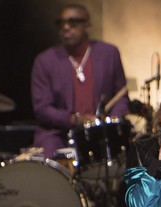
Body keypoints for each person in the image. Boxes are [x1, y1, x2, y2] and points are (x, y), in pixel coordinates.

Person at [30, 3, 130, 158]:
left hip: (100, 132)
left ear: (88, 26)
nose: (66, 27)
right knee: (50, 159)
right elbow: (42, 110)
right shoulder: (45, 61)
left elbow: (121, 97)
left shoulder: (109, 53)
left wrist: (110, 121)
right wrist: (74, 119)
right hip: (59, 134)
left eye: (73, 22)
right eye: (61, 23)